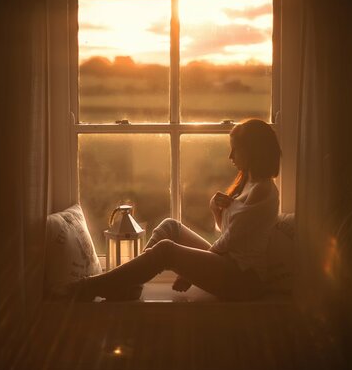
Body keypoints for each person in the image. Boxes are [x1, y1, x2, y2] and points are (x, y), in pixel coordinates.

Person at [63, 118, 282, 301]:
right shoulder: (247, 184)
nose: (230, 156)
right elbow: (228, 232)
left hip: (243, 279)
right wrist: (215, 208)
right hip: (230, 263)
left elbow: (230, 240)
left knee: (167, 250)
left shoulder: (262, 191)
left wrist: (190, 271)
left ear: (252, 151)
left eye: (236, 149)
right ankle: (129, 287)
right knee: (170, 227)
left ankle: (88, 288)